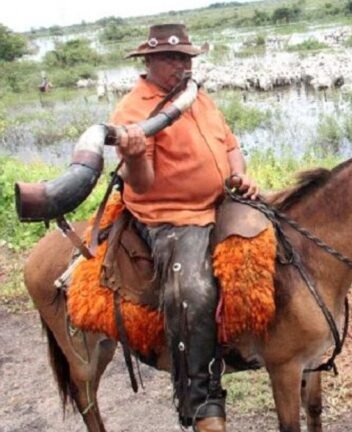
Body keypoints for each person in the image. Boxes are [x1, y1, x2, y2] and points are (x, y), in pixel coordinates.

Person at [110, 23, 258, 432]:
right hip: (173, 216)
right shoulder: (133, 110)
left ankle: (280, 348)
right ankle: (201, 401)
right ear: (150, 61)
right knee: (194, 290)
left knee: (286, 243)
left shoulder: (198, 95)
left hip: (220, 203)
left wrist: (240, 175)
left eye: (186, 58)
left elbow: (231, 145)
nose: (183, 66)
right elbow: (141, 184)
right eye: (172, 58)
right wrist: (134, 155)